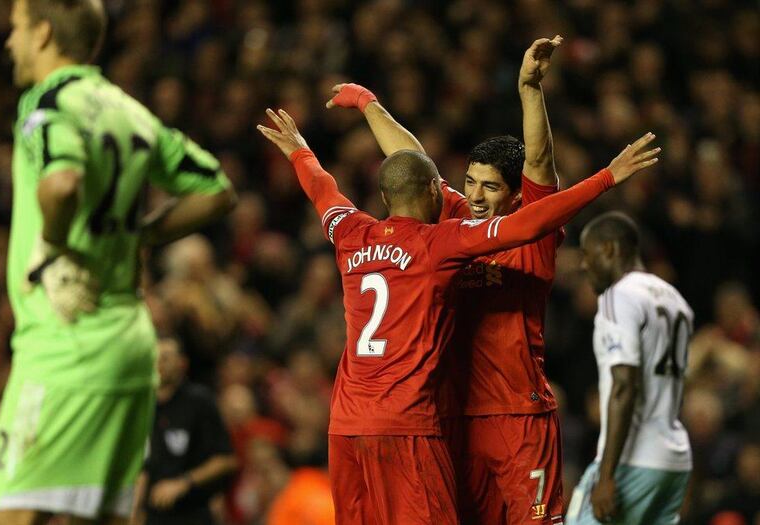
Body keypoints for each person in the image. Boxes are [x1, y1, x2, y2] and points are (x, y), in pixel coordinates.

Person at [257, 107, 658, 525]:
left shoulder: (350, 232)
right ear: (435, 192)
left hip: (345, 424)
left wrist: (301, 151)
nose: (470, 196)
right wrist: (605, 177)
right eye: (464, 186)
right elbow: (526, 225)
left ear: (382, 199)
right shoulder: (442, 240)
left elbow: (325, 191)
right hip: (411, 422)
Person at [0, 1, 236, 524]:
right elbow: (215, 191)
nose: (9, 42)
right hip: (130, 344)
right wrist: (140, 237)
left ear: (44, 32)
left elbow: (61, 182)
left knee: (9, 515)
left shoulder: (46, 103)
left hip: (64, 343)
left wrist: (55, 248)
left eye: (15, 29)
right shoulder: (127, 108)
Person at [327, 36, 571, 523]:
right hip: (452, 415)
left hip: (517, 413)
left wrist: (528, 89)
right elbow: (415, 166)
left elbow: (541, 164)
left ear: (517, 195)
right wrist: (368, 103)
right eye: (471, 182)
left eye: (491, 186)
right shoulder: (456, 223)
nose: (475, 196)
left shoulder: (532, 232)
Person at [566, 212, 693, 525]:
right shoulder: (675, 300)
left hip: (633, 459)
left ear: (609, 249)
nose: (583, 265)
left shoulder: (618, 296)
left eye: (587, 254)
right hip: (673, 460)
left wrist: (607, 475)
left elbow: (624, 383)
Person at [135, 337, 237, 525]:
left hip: (193, 513)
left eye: (165, 358)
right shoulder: (142, 405)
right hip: (152, 516)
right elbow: (142, 466)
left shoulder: (199, 402)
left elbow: (226, 459)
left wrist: (183, 482)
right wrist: (135, 511)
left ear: (182, 363)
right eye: (155, 357)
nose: (159, 364)